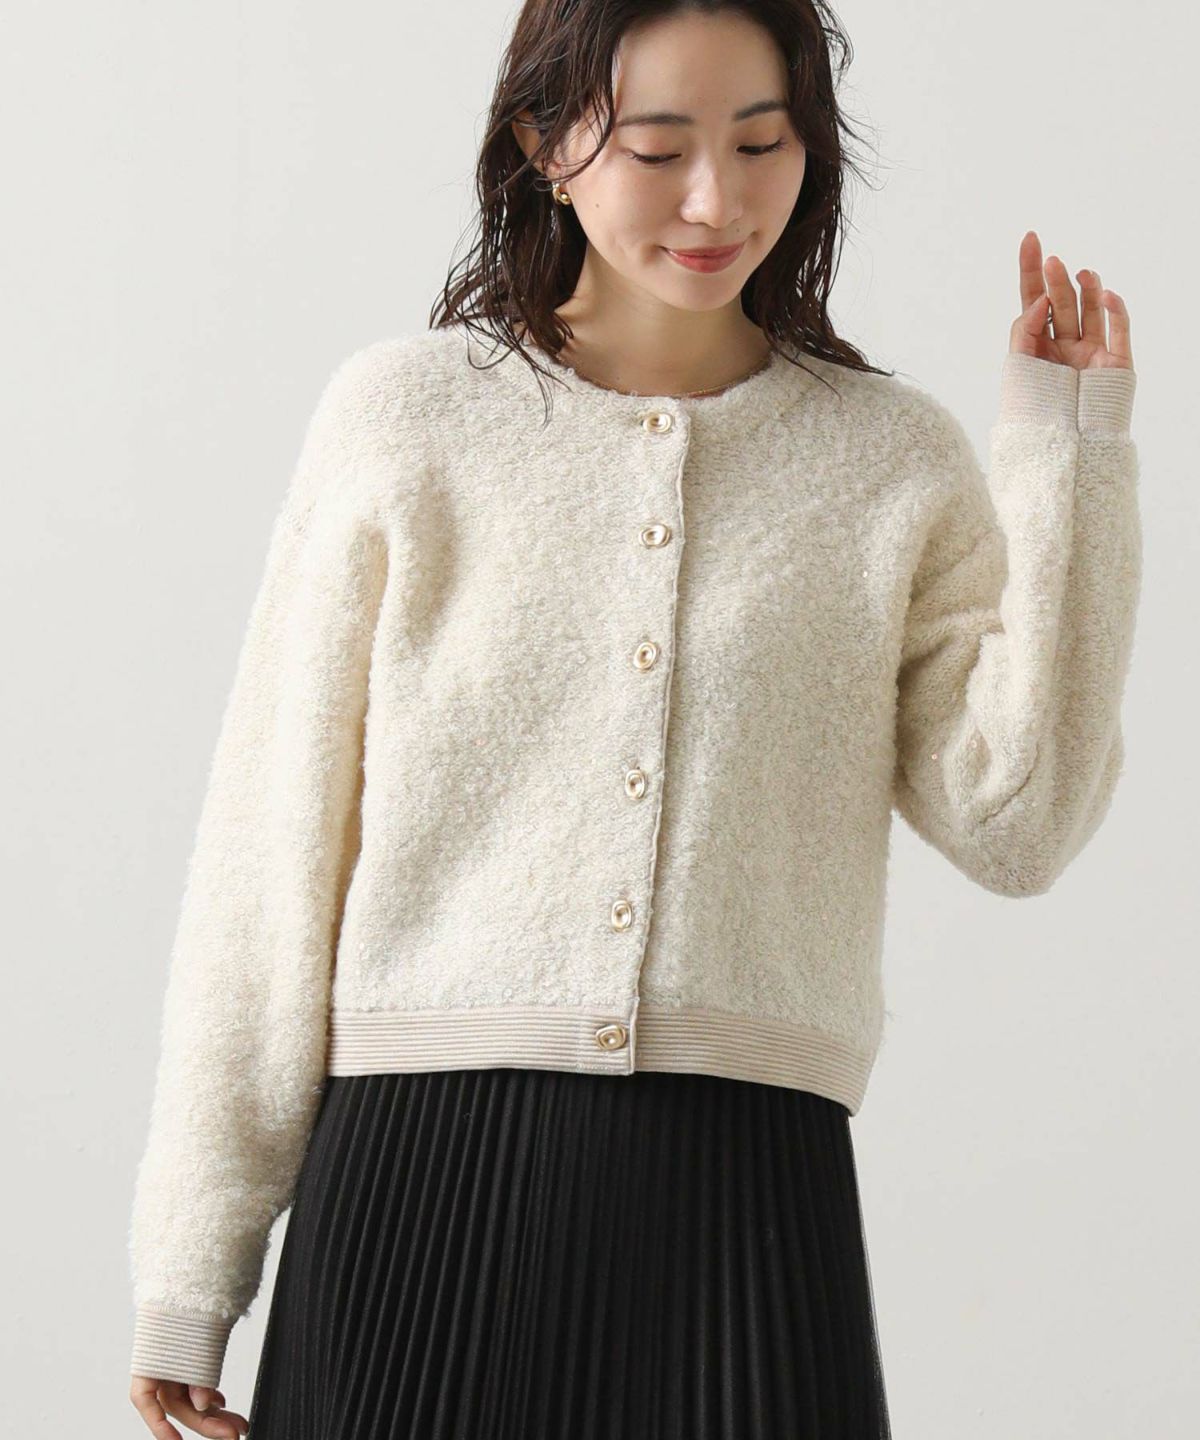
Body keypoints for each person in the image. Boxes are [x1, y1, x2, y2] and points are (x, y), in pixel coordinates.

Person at [127, 3, 1140, 1438]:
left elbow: (1019, 824)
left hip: (747, 1202)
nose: (718, 201)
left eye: (762, 143)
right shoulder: (404, 422)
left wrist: (1070, 458)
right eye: (659, 149)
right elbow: (266, 855)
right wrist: (193, 1266)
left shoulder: (888, 461)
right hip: (415, 1191)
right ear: (545, 144)